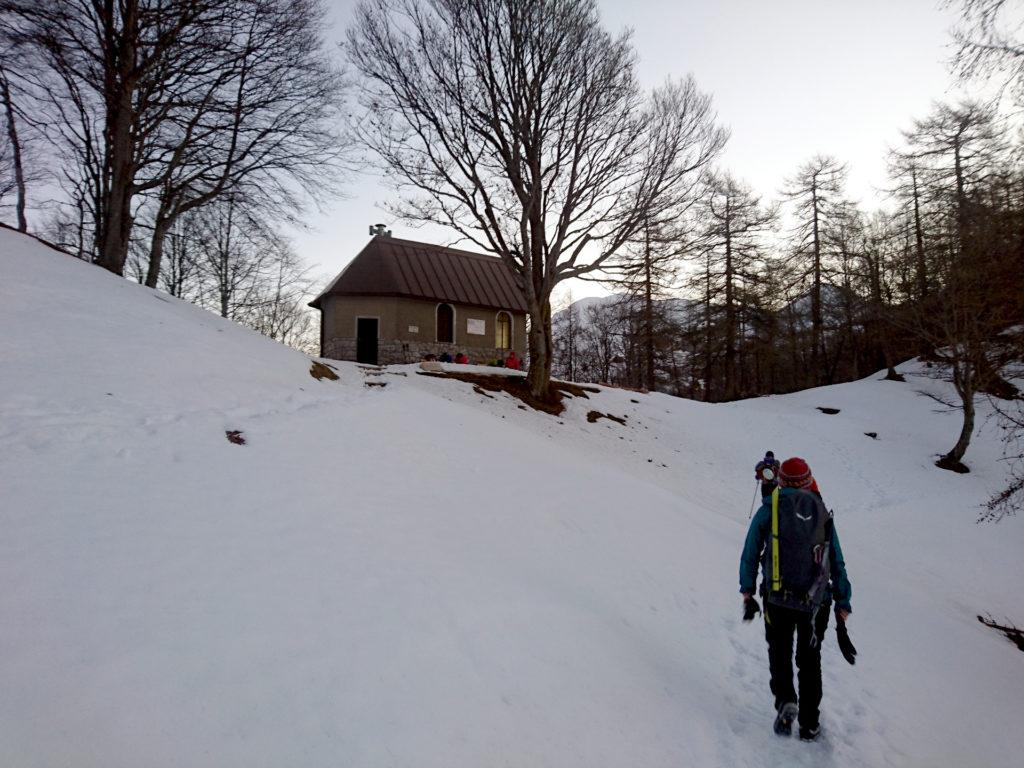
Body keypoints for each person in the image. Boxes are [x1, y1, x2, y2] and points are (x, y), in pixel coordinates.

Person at [738, 457, 852, 742]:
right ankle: (810, 723)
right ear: (809, 479)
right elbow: (836, 559)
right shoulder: (821, 511)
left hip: (777, 599)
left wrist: (747, 589)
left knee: (779, 652)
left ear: (781, 479)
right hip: (816, 603)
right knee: (809, 660)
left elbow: (750, 551)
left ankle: (786, 700)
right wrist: (843, 601)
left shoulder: (770, 510)